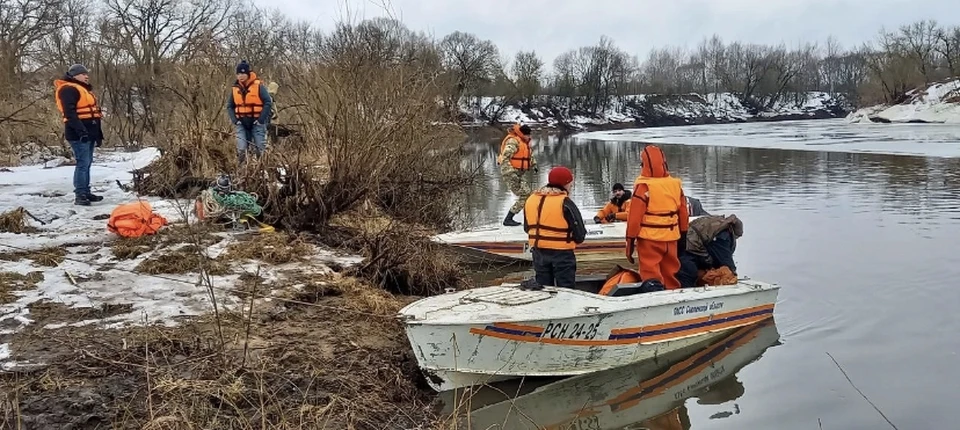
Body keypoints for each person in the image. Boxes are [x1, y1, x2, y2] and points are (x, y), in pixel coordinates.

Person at [625, 145, 690, 290]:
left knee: (651, 275)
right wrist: (683, 235)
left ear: (644, 165)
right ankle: (673, 301)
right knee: (671, 274)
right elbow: (683, 212)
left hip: (649, 240)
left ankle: (654, 302)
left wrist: (629, 243)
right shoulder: (675, 185)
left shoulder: (643, 187)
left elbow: (634, 219)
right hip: (671, 238)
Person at [523, 166, 587, 288]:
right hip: (562, 255)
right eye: (570, 184)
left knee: (544, 289)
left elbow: (527, 228)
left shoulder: (531, 199)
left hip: (539, 253)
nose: (571, 187)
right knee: (566, 290)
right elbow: (580, 235)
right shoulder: (565, 203)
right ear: (566, 184)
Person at [54, 64, 104, 206]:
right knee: (82, 163)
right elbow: (70, 114)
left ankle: (85, 192)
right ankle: (80, 194)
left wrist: (98, 135)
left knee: (87, 163)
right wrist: (81, 131)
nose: (86, 76)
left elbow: (94, 114)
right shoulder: (68, 89)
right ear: (74, 76)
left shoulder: (83, 90)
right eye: (83, 74)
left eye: (86, 74)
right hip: (78, 134)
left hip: (89, 132)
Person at [676, 213, 744, 288]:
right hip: (692, 244)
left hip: (692, 242)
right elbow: (725, 261)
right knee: (728, 271)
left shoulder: (717, 227)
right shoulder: (723, 234)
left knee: (688, 269)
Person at [226, 60, 273, 164]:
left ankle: (262, 171)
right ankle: (242, 171)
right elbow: (229, 106)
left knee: (260, 149)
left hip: (257, 122)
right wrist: (235, 120)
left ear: (247, 74)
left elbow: (268, 102)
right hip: (241, 123)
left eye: (243, 73)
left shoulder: (258, 87)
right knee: (242, 149)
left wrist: (261, 119)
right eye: (238, 74)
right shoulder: (235, 89)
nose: (240, 76)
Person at [498, 123, 537, 226]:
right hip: (510, 173)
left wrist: (534, 165)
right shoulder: (513, 142)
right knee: (525, 195)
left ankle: (528, 218)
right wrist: (511, 173)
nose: (529, 137)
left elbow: (529, 155)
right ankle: (508, 219)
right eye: (528, 135)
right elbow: (505, 158)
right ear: (523, 134)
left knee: (529, 194)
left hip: (518, 174)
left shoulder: (523, 142)